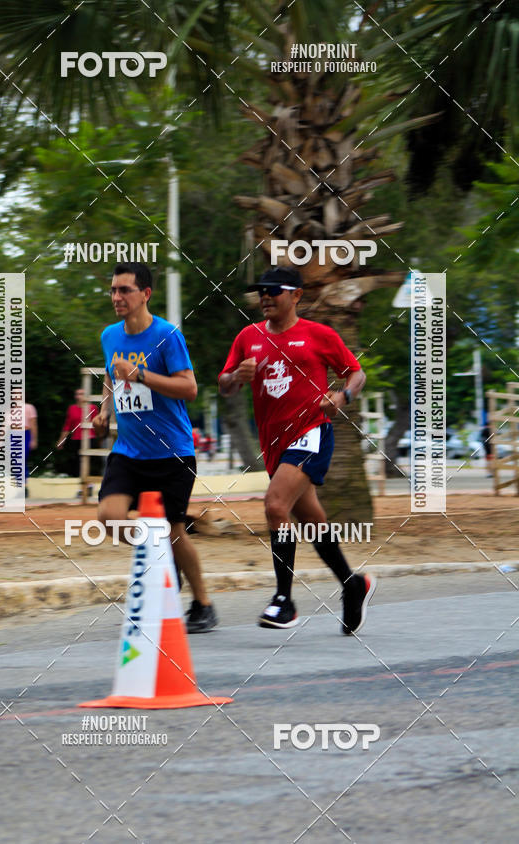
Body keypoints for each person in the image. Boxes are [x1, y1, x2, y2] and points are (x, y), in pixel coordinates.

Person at [218, 266, 375, 635]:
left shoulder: (318, 335)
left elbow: (356, 373)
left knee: (275, 505)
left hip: (312, 432)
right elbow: (224, 385)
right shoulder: (247, 337)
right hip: (273, 444)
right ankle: (352, 583)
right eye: (261, 291)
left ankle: (284, 601)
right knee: (311, 520)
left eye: (274, 290)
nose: (266, 297)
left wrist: (342, 395)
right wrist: (235, 378)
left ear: (297, 295)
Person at [93, 262, 217, 633]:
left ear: (145, 294)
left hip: (172, 451)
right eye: (114, 290)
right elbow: (111, 375)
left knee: (175, 530)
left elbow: (189, 388)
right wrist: (103, 409)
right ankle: (161, 563)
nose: (117, 297)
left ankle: (203, 605)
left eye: (125, 290)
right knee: (109, 517)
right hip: (129, 449)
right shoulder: (109, 335)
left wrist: (142, 374)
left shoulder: (167, 335)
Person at [56, 388, 98, 495]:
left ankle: (89, 485)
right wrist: (62, 440)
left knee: (90, 462)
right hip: (76, 439)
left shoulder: (93, 408)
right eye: (78, 394)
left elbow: (97, 424)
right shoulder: (72, 408)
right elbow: (67, 426)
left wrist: (100, 438)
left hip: (90, 438)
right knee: (77, 463)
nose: (80, 396)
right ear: (75, 396)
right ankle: (82, 486)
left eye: (82, 394)